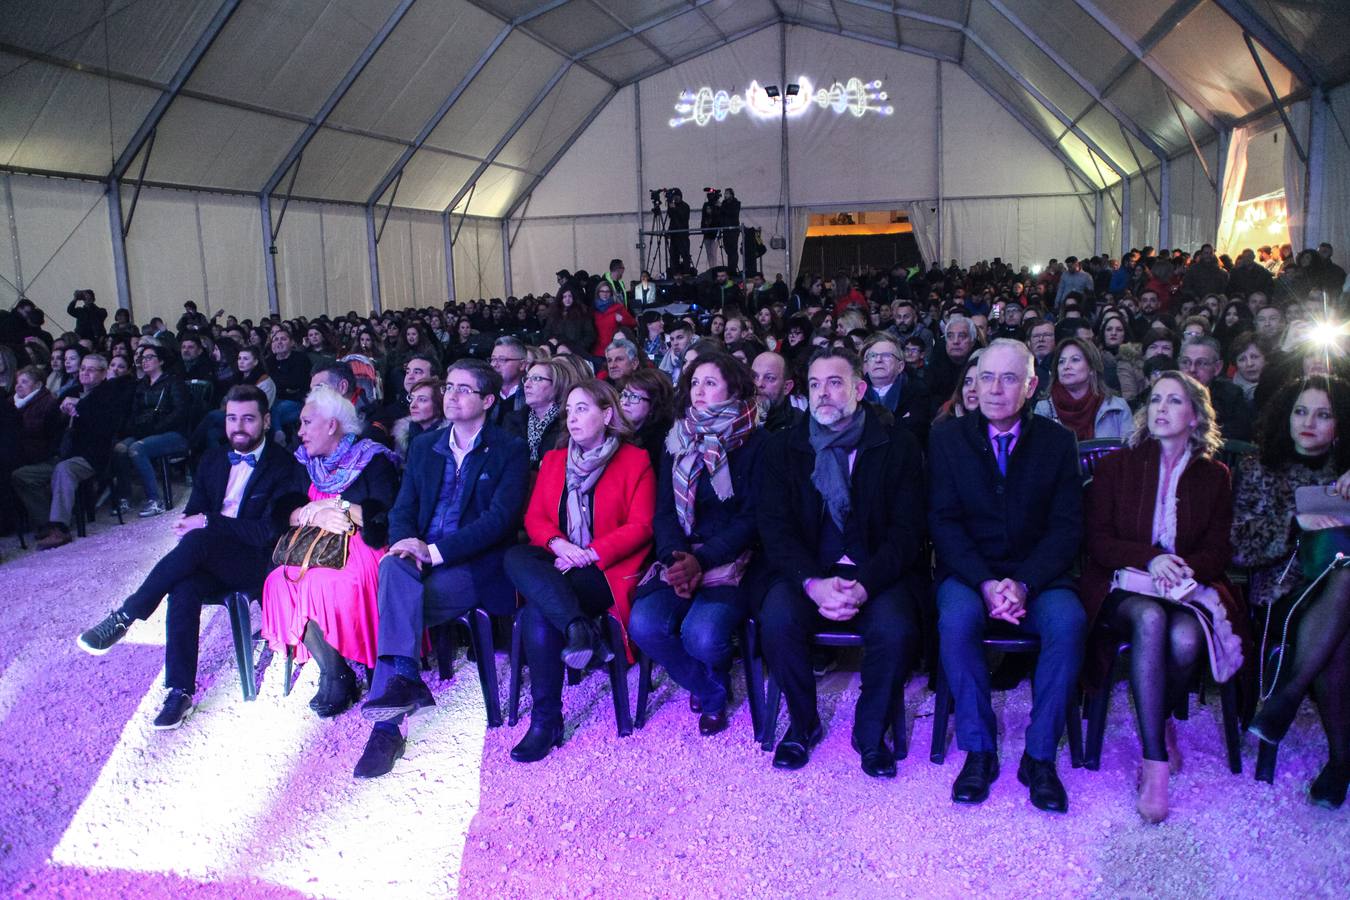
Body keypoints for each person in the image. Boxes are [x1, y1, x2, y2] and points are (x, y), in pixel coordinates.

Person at [75, 386, 306, 727]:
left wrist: (209, 523)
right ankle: (179, 692)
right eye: (231, 418)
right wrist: (198, 523)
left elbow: (267, 533)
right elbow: (195, 512)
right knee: (183, 587)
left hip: (257, 561)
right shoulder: (213, 460)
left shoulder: (284, 466)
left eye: (248, 419)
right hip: (211, 554)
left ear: (267, 421)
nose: (238, 427)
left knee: (198, 543)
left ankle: (127, 615)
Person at [928, 338, 1087, 812]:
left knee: (1069, 622)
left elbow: (1066, 528)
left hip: (1037, 577)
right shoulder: (947, 438)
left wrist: (1023, 584)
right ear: (972, 383)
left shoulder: (1058, 443)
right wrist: (985, 582)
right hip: (970, 573)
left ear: (1032, 386)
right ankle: (979, 750)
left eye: (1009, 378)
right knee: (955, 621)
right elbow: (943, 522)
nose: (995, 389)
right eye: (986, 377)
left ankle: (1039, 757)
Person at [1081, 372, 1246, 822]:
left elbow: (1219, 548)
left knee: (1188, 640)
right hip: (1123, 586)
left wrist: (1183, 571)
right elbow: (1098, 541)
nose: (1160, 408)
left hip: (1185, 589)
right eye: (1155, 400)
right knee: (1151, 621)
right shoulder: (1118, 466)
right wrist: (1152, 558)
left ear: (1195, 416)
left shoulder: (1215, 476)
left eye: (1174, 401)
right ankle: (1154, 763)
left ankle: (1163, 719)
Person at [353, 359, 530, 778]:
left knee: (396, 602)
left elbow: (498, 523)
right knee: (394, 573)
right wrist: (403, 544)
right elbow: (403, 509)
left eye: (464, 389)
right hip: (415, 560)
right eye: (449, 387)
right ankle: (406, 680)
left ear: (488, 400)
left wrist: (432, 551)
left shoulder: (509, 449)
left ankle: (387, 727)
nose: (451, 395)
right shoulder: (424, 446)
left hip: (472, 565)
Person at [756, 347, 924, 776]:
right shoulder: (784, 447)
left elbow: (908, 532)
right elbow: (776, 531)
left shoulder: (895, 444)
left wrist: (865, 584)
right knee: (777, 619)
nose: (823, 394)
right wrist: (812, 584)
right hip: (810, 570)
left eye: (834, 383)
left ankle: (871, 733)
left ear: (859, 388)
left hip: (874, 571)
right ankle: (803, 724)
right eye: (814, 384)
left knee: (895, 628)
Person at [504, 379, 655, 762]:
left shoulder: (635, 460)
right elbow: (535, 517)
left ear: (606, 414)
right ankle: (578, 628)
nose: (572, 418)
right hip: (561, 559)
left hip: (605, 569)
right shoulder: (555, 460)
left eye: (583, 408)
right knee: (515, 557)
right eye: (569, 410)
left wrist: (587, 554)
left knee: (538, 610)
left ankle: (545, 722)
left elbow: (641, 527)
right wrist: (561, 546)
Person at [628, 353, 765, 736]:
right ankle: (708, 688)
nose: (699, 391)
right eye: (694, 383)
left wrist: (701, 560)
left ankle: (712, 669)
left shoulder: (755, 441)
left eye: (710, 382)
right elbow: (664, 512)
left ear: (734, 389)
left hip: (732, 559)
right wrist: (676, 558)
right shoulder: (676, 439)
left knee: (701, 635)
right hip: (680, 554)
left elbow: (751, 518)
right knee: (644, 623)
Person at [1233, 375, 1350, 808]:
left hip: (1338, 601)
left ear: (1341, 424)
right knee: (1338, 637)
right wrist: (1290, 524)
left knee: (1344, 583)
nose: (1309, 422)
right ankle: (1341, 763)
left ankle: (1285, 699)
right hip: (1283, 596)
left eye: (1324, 414)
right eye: (1301, 411)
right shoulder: (1259, 468)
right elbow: (1239, 547)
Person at [260, 385, 400, 718]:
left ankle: (338, 673)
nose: (301, 431)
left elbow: (386, 518)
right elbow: (280, 511)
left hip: (361, 546)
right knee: (279, 580)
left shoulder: (373, 458)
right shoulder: (303, 462)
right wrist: (310, 513)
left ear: (332, 425)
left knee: (320, 584)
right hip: (310, 546)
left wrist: (335, 504)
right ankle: (335, 669)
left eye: (308, 423)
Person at [12, 354, 132, 549]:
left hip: (91, 456)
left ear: (103, 373)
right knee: (22, 476)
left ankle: (60, 528)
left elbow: (105, 429)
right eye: (83, 368)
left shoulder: (109, 394)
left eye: (91, 369)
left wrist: (79, 407)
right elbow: (57, 427)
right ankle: (47, 523)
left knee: (64, 469)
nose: (85, 372)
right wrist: (63, 411)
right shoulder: (73, 390)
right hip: (63, 453)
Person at [110, 344, 190, 517]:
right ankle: (124, 496)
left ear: (160, 360)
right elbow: (133, 413)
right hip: (146, 431)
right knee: (119, 449)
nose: (144, 361)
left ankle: (155, 500)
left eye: (149, 357)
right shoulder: (142, 385)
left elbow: (180, 412)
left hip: (173, 433)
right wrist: (137, 428)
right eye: (142, 358)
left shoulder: (173, 382)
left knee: (137, 448)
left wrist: (155, 428)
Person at [1031, 337, 1133, 441]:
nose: (1066, 366)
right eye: (1061, 361)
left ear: (1092, 368)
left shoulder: (1117, 408)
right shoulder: (1044, 409)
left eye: (1075, 360)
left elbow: (1129, 454)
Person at [1178, 336, 1254, 441]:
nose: (1192, 369)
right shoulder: (1167, 391)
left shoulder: (1231, 395)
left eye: (1201, 363)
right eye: (1185, 362)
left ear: (1217, 367)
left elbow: (1239, 434)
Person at [860, 333, 929, 443]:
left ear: (900, 366)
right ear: (866, 364)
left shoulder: (917, 392)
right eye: (872, 356)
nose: (878, 360)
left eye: (886, 355)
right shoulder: (855, 394)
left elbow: (918, 431)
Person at [506, 358, 573, 468]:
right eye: (526, 379)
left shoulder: (567, 422)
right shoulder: (512, 419)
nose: (527, 384)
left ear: (557, 385)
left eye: (536, 379)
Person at [616, 367, 675, 472]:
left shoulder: (662, 445)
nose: (624, 402)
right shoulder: (614, 431)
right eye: (624, 395)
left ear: (654, 405)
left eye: (634, 397)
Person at [391, 377, 446, 457]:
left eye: (422, 400)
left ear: (439, 404)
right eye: (412, 399)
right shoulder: (405, 436)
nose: (413, 405)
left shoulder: (448, 440)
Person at [752, 351, 802, 433]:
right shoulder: (735, 417)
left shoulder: (800, 425)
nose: (759, 384)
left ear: (786, 387)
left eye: (769, 378)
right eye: (754, 376)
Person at [543, 283, 597, 357]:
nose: (567, 299)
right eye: (564, 296)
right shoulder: (554, 314)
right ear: (560, 298)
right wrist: (551, 339)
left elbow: (590, 334)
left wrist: (578, 346)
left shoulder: (582, 313)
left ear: (574, 298)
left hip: (576, 350)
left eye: (570, 296)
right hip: (556, 348)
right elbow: (547, 331)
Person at [487, 335, 529, 428]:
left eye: (502, 360)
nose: (494, 365)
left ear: (522, 365)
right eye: (493, 359)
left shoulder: (530, 394)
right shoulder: (485, 392)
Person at [591, 279, 636, 356]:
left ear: (611, 293)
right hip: (598, 351)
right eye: (602, 291)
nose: (605, 294)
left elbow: (633, 323)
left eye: (607, 291)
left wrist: (622, 320)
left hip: (615, 349)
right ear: (598, 293)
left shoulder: (618, 308)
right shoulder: (593, 310)